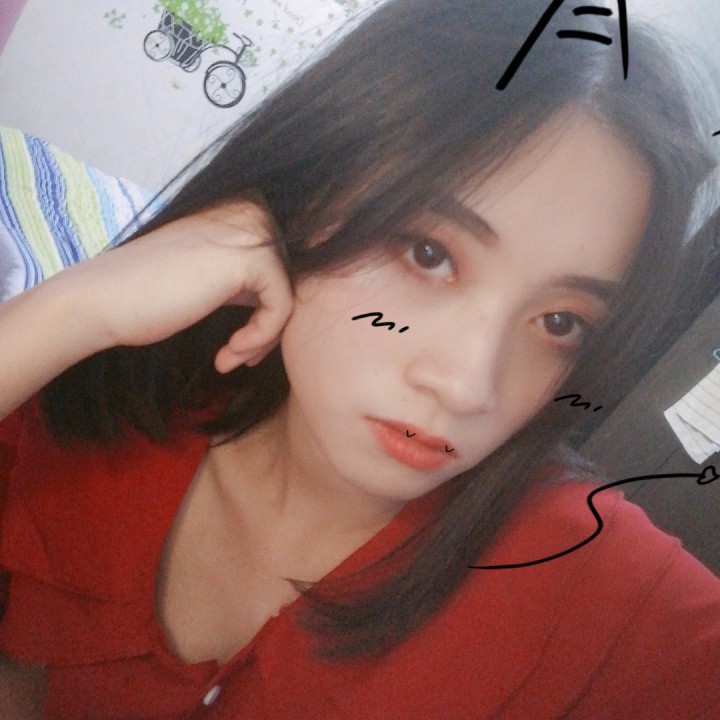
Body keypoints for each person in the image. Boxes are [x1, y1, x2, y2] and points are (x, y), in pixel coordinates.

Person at [1, 0, 719, 717]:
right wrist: (68, 312)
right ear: (308, 191)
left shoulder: (591, 581)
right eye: (428, 253)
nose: (468, 386)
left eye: (560, 323)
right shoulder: (103, 395)